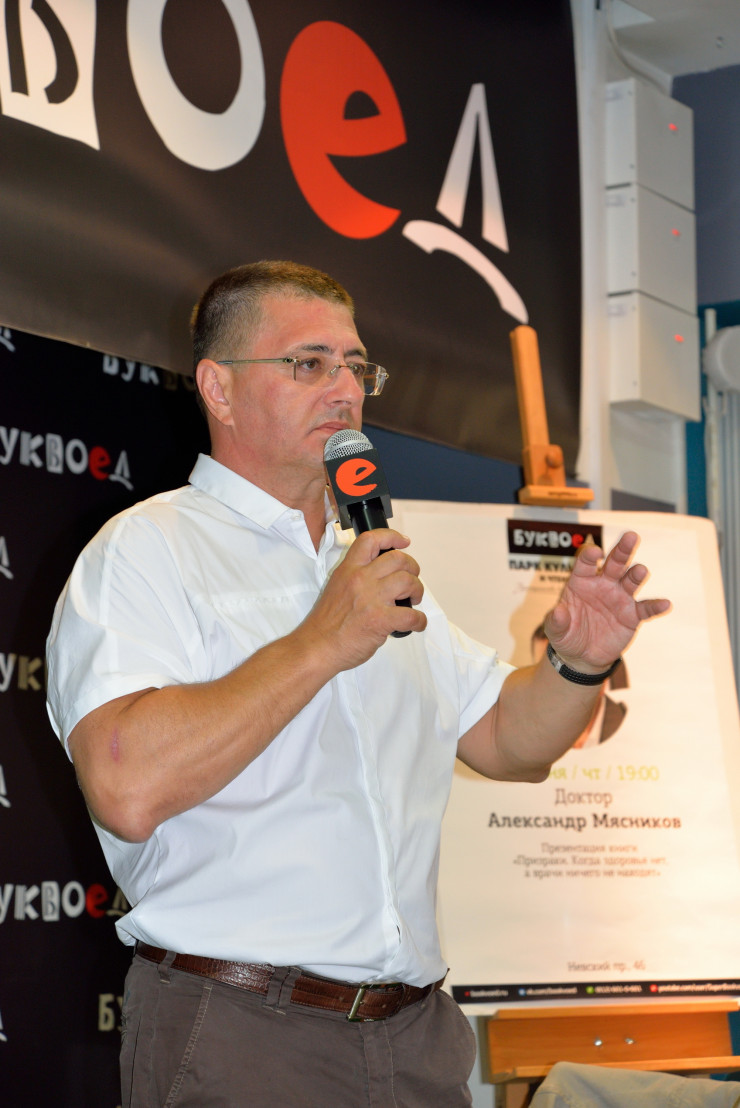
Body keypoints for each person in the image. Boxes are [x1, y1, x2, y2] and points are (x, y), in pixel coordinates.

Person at [45, 260, 670, 1108]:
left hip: (414, 1038)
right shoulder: (146, 552)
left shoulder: (373, 567)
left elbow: (509, 743)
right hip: (240, 1033)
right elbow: (127, 787)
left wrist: (579, 662)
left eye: (356, 367)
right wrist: (322, 641)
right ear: (219, 389)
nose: (344, 390)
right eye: (309, 364)